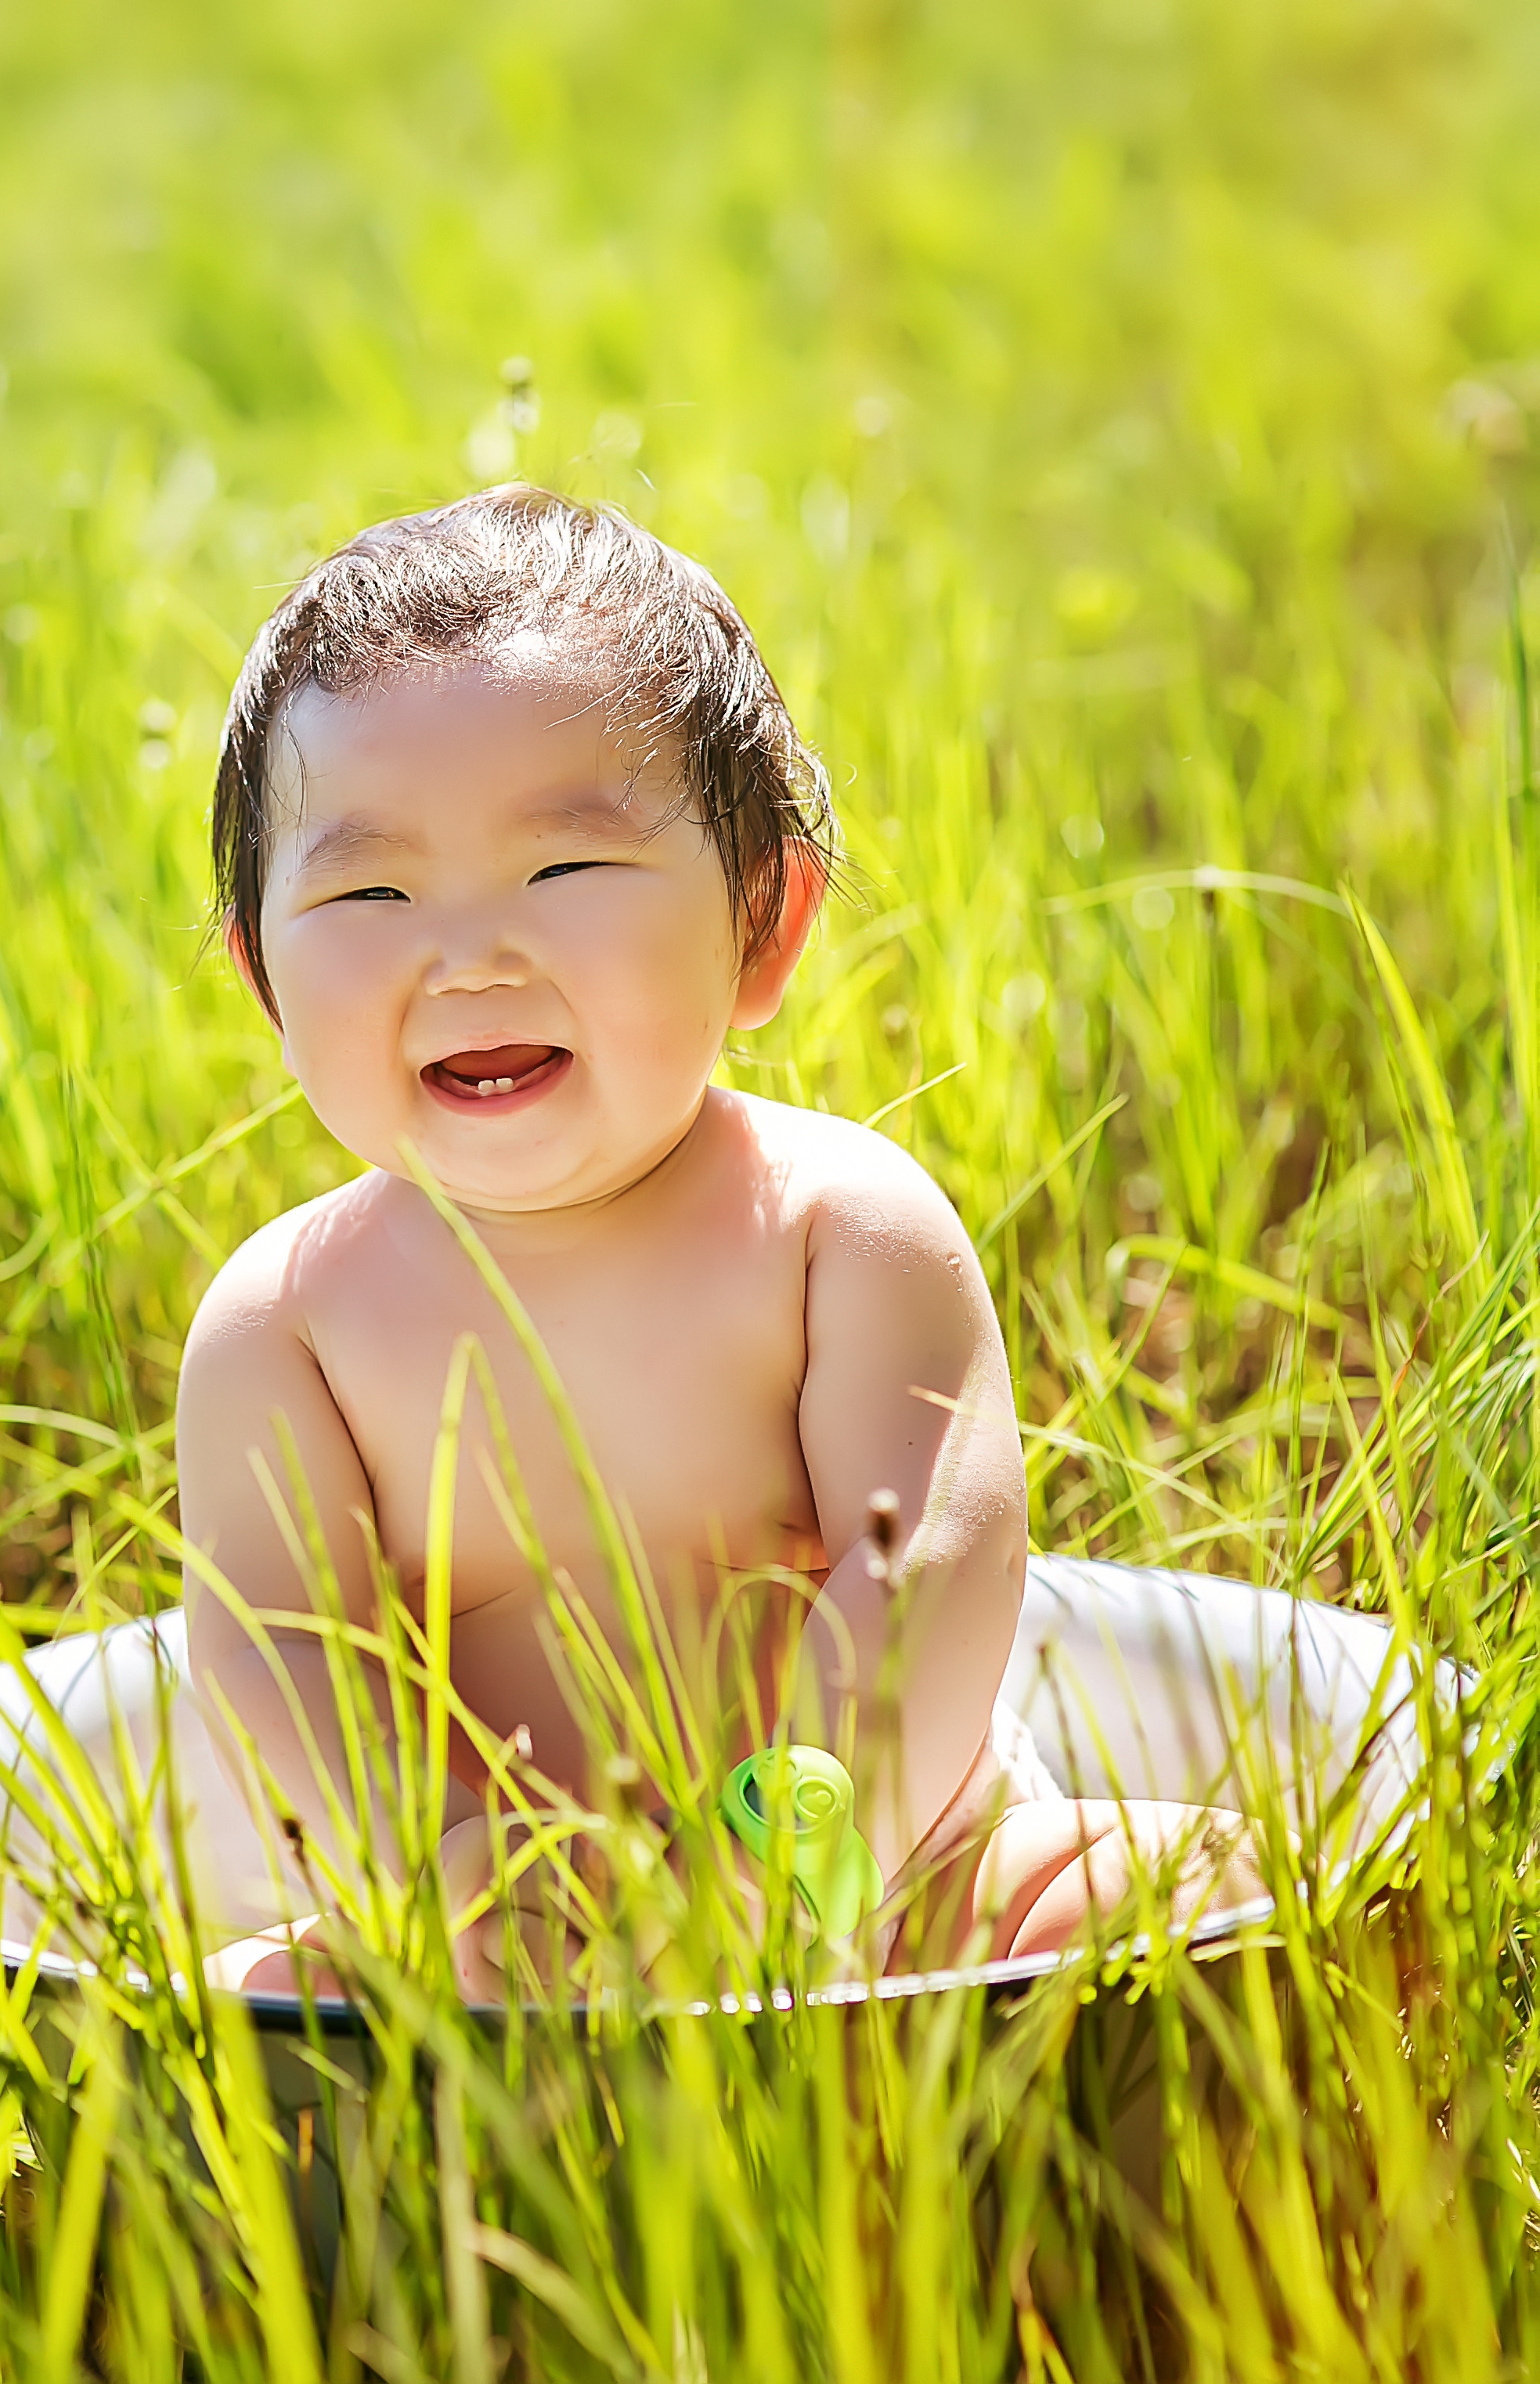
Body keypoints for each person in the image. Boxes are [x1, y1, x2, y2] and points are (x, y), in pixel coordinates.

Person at [175, 485, 1260, 1998]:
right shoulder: (288, 1325)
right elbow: (276, 1660)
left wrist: (781, 1867)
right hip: (513, 1931)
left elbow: (932, 1559)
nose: (471, 954)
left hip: (891, 1888)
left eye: (564, 869)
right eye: (370, 889)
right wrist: (443, 1868)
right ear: (262, 979)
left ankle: (1010, 2112)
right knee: (263, 2009)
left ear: (764, 923)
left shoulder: (836, 1229)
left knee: (1174, 1894)